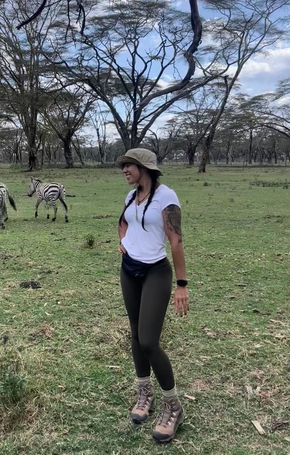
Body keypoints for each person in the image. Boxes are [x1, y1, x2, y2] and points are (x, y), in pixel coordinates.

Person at [117, 148, 189, 444]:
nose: (124, 171)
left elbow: (176, 240)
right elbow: (123, 223)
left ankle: (173, 406)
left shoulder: (166, 197)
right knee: (135, 335)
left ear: (144, 167)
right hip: (128, 270)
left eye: (128, 166)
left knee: (148, 340)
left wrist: (182, 284)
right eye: (122, 167)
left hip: (156, 273)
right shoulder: (131, 197)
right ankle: (144, 394)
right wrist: (124, 242)